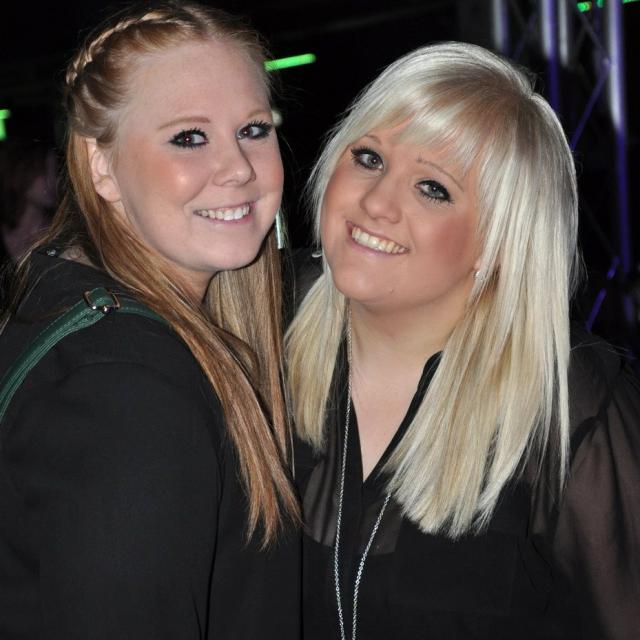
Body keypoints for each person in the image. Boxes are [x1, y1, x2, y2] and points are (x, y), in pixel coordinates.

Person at [286, 42, 640, 639]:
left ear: (500, 241)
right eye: (369, 158)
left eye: (433, 188)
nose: (375, 203)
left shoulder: (570, 407)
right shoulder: (256, 327)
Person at [0, 2, 300, 638]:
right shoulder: (124, 385)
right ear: (102, 166)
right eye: (189, 137)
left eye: (254, 129)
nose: (239, 168)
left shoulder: (72, 303)